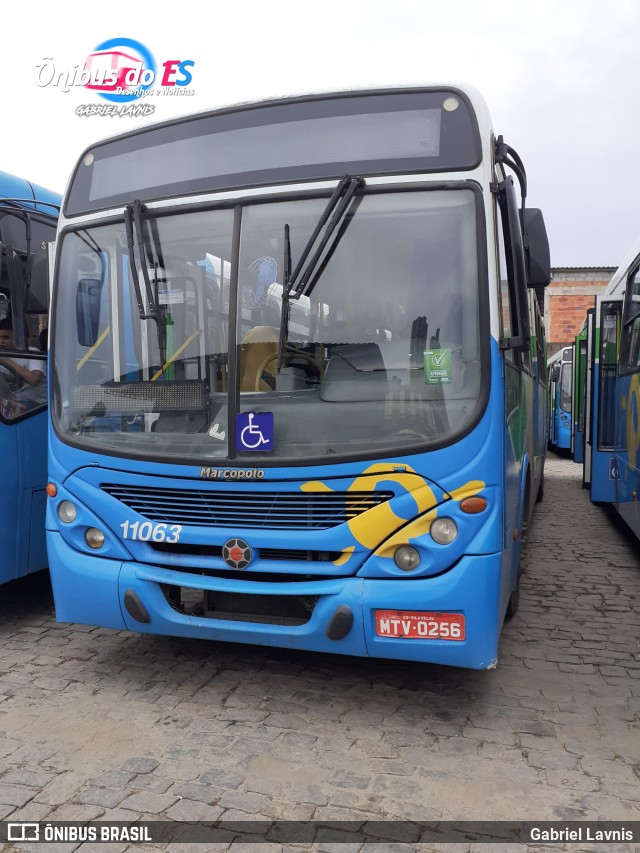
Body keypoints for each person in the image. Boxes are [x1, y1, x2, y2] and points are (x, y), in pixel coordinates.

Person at [0, 317, 46, 402]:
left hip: (38, 405)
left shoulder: (31, 352)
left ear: (16, 338)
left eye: (5, 337)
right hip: (13, 404)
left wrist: (6, 360)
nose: (1, 342)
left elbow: (33, 380)